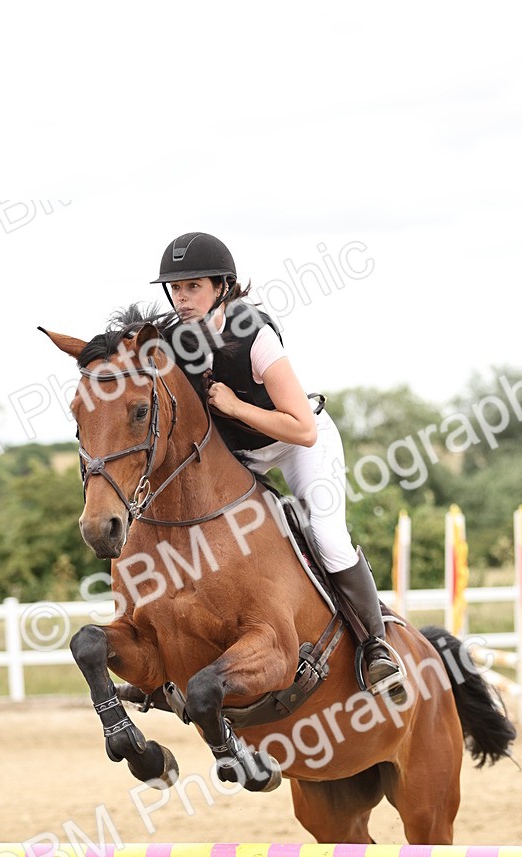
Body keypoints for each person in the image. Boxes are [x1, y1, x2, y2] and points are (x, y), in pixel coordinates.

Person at [152, 230, 407, 703]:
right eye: (176, 288)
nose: (182, 298)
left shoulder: (256, 335)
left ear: (222, 287)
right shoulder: (172, 341)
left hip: (296, 444)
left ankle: (376, 645)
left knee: (327, 537)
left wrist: (233, 406)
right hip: (242, 457)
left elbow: (302, 428)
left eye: (193, 286)